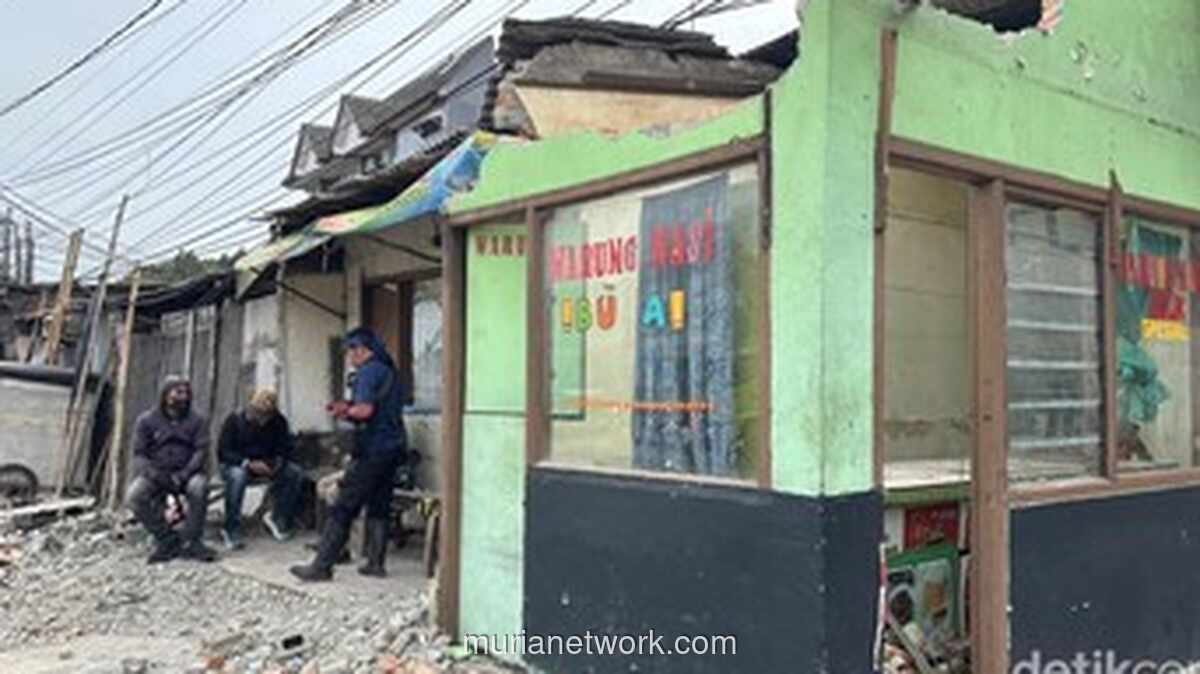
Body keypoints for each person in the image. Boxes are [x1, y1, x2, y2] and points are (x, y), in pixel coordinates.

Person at [290, 327, 407, 582]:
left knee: (344, 505)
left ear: (362, 350)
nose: (349, 357)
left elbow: (365, 411)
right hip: (394, 448)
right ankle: (375, 563)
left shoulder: (367, 372)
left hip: (371, 449)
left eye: (350, 351)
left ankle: (322, 566)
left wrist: (342, 411)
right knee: (379, 504)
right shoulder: (389, 371)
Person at [126, 375, 218, 564]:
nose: (183, 397)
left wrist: (185, 474)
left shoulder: (198, 420)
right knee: (134, 496)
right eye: (178, 392)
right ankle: (167, 539)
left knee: (199, 488)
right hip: (156, 473)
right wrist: (154, 475)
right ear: (165, 394)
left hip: (188, 472)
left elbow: (201, 451)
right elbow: (139, 454)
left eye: (186, 393)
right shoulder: (146, 420)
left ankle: (192, 541)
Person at [216, 389, 305, 550]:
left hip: (266, 464)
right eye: (259, 413)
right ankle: (231, 528)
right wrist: (247, 463)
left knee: (294, 473)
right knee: (237, 477)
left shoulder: (278, 421)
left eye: (267, 415)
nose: (263, 418)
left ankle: (277, 517)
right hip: (237, 464)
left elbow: (284, 448)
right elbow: (224, 452)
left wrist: (275, 463)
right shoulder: (235, 420)